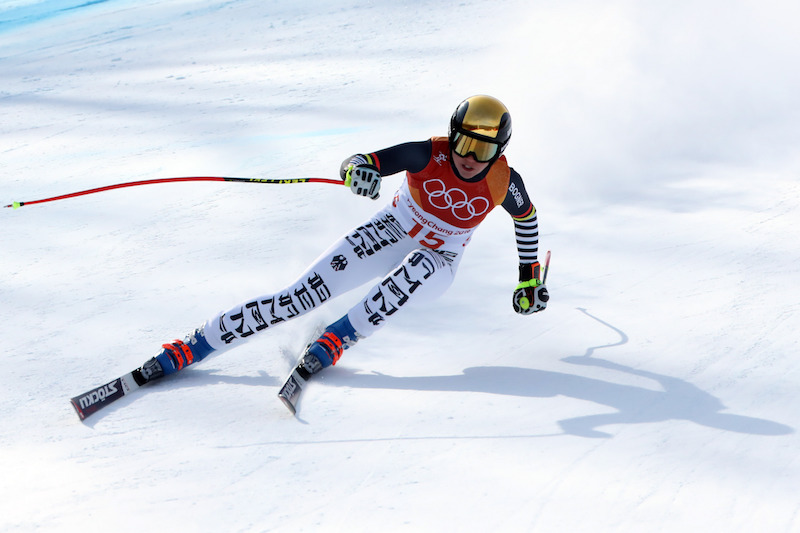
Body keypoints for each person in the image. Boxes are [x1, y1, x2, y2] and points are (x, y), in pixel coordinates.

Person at [130, 95, 549, 387]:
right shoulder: (428, 153)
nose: (469, 157)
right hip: (392, 230)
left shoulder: (503, 182)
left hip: (440, 259)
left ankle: (338, 336)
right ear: (451, 135)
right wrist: (358, 171)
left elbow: (525, 217)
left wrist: (528, 276)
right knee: (297, 298)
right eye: (463, 142)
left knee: (416, 269)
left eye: (482, 149)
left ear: (498, 152)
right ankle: (195, 345)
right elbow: (364, 160)